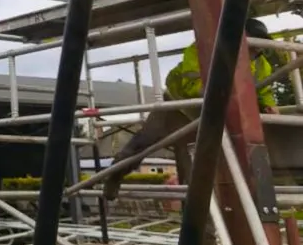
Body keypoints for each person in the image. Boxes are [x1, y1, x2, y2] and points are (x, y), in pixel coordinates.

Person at [103, 18, 280, 202]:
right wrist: (224, 92)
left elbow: (263, 91)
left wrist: (269, 105)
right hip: (177, 105)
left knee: (194, 168)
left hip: (205, 113)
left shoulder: (261, 65)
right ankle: (115, 175)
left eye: (259, 44)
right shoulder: (203, 49)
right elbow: (193, 86)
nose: (256, 49)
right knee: (144, 141)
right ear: (241, 37)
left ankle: (199, 221)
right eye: (253, 42)